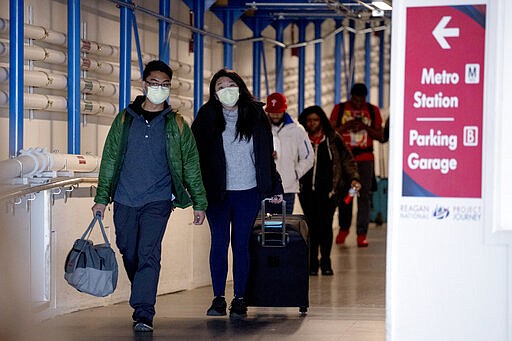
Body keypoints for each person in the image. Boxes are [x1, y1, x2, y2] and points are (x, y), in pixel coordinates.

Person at [91, 60, 207, 333]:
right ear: (144, 84)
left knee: (148, 253)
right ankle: (142, 290)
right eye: (154, 83)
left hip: (158, 200)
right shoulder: (124, 119)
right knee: (128, 249)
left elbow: (191, 164)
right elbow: (109, 159)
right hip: (124, 198)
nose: (159, 88)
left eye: (165, 85)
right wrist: (102, 198)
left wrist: (199, 202)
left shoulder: (177, 125)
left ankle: (144, 311)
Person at [191, 69, 283, 320]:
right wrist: (194, 192)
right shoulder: (207, 116)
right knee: (219, 243)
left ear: (240, 87)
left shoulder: (255, 114)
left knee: (241, 245)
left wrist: (275, 187)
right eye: (219, 86)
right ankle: (218, 298)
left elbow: (266, 155)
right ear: (214, 93)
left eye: (230, 84)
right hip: (217, 192)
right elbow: (193, 155)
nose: (225, 89)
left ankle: (240, 298)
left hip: (248, 191)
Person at [298, 105, 361, 276]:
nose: (312, 124)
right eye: (309, 120)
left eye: (316, 120)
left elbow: (347, 159)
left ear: (321, 121)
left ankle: (325, 261)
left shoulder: (333, 139)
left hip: (329, 191)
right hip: (306, 191)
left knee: (325, 226)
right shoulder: (301, 139)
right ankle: (312, 262)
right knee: (311, 226)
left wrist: (354, 177)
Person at [329, 83, 384, 247]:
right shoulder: (339, 110)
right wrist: (346, 126)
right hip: (345, 160)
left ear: (365, 98)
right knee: (345, 194)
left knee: (363, 195)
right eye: (355, 100)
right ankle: (344, 228)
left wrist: (364, 127)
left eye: (361, 101)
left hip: (365, 159)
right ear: (350, 96)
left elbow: (381, 137)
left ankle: (361, 233)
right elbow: (330, 134)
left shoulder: (373, 111)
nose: (358, 103)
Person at [264, 92, 313, 214]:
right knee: (263, 228)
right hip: (264, 190)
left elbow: (308, 156)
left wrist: (295, 174)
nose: (275, 115)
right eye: (272, 112)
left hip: (287, 189)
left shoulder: (297, 130)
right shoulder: (260, 128)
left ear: (285, 109)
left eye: (278, 111)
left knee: (283, 228)